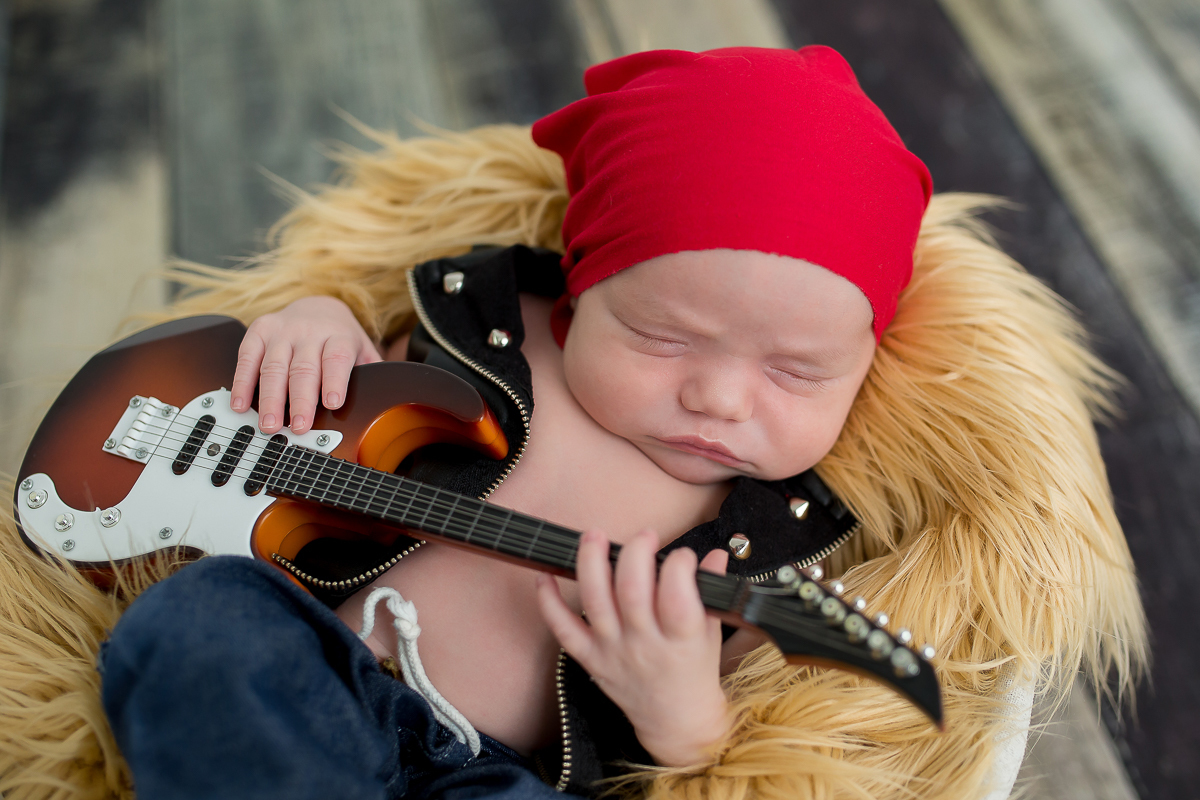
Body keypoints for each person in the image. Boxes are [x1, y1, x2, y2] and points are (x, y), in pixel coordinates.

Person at [84, 45, 1144, 800]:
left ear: (865, 364)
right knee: (197, 622)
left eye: (794, 370)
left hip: (498, 775)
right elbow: (341, 382)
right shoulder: (490, 326)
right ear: (581, 291)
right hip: (309, 665)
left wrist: (684, 717)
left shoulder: (774, 533)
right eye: (666, 338)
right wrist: (314, 322)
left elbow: (745, 747)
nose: (720, 398)